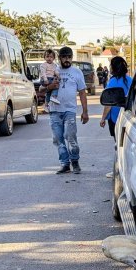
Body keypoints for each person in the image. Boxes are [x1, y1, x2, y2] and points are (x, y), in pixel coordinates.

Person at [47, 46, 88, 174]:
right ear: (59, 58)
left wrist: (85, 111)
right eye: (64, 57)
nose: (67, 59)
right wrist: (50, 86)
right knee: (58, 139)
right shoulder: (52, 70)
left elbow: (82, 92)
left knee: (71, 137)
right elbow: (42, 89)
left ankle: (75, 161)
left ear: (72, 58)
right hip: (54, 110)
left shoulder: (77, 72)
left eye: (69, 57)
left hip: (70, 110)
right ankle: (65, 164)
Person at [99, 56, 132, 140]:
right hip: (129, 117)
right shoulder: (131, 80)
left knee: (117, 142)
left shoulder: (112, 82)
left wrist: (103, 118)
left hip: (115, 119)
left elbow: (108, 104)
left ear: (113, 67)